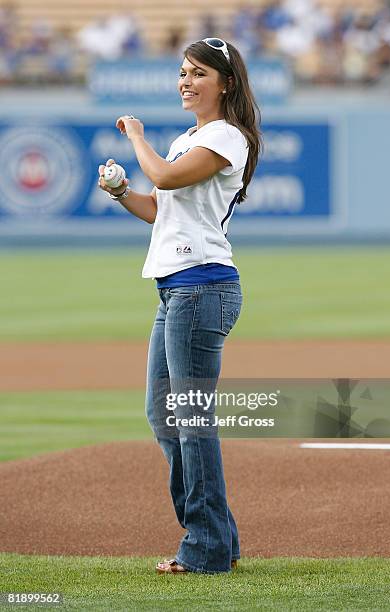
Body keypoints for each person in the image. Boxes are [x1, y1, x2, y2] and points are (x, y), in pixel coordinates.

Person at [98, 37, 261, 574]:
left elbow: (164, 178)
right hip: (178, 288)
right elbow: (158, 209)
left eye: (198, 73)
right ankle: (220, 538)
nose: (185, 81)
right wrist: (123, 190)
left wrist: (139, 140)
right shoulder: (193, 137)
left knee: (189, 419)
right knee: (165, 415)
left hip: (202, 287)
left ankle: (207, 547)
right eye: (182, 72)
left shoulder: (226, 136)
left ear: (226, 83)